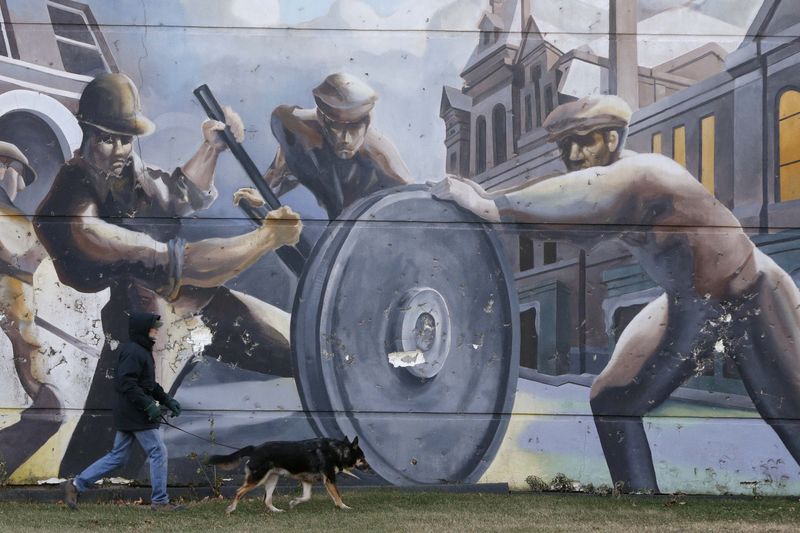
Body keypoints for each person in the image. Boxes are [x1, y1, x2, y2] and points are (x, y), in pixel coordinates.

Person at [432, 94, 800, 493]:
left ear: (612, 138)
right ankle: (640, 503)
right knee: (612, 401)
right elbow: (555, 188)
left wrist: (493, 206)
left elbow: (586, 191)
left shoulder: (643, 172)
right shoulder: (611, 175)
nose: (572, 153)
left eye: (584, 140)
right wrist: (481, 195)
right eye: (564, 145)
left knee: (793, 414)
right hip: (690, 301)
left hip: (752, 290)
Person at [34, 73, 303, 475]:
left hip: (182, 306)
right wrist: (266, 239)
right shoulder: (75, 211)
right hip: (135, 329)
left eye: (125, 138)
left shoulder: (127, 175)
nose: (120, 149)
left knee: (304, 352)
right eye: (108, 139)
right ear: (86, 134)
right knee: (117, 445)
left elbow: (176, 194)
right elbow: (183, 262)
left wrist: (210, 149)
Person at [240, 72, 411, 220]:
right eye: (337, 126)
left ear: (368, 123)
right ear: (321, 118)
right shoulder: (292, 126)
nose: (345, 138)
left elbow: (413, 206)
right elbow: (281, 169)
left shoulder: (382, 160)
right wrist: (262, 192)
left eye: (354, 127)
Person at [63, 313, 183, 511]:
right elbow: (126, 383)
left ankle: (76, 485)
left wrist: (166, 400)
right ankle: (160, 502)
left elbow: (148, 384)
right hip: (134, 412)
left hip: (130, 411)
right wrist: (148, 405)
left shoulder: (142, 350)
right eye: (153, 327)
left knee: (118, 456)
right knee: (158, 451)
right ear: (143, 329)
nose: (156, 329)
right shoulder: (134, 352)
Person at [0, 141, 63, 474]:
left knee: (49, 410)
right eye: (16, 173)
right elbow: (16, 263)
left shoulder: (10, 213)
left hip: (18, 311)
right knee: (48, 408)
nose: (17, 183)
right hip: (14, 313)